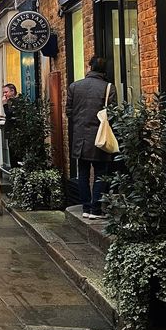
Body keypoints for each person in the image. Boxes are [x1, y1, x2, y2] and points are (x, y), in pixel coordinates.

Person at [66, 56, 117, 220]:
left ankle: (86, 208)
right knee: (101, 173)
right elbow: (113, 113)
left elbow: (69, 112)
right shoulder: (108, 87)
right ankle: (96, 209)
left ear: (89, 67)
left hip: (80, 138)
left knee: (83, 173)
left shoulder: (75, 86)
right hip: (100, 137)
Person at [2, 83, 19, 167]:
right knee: (11, 153)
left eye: (6, 92)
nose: (5, 94)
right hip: (11, 132)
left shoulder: (17, 102)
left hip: (15, 132)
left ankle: (16, 171)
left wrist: (4, 104)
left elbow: (10, 115)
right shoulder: (11, 102)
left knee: (14, 154)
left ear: (12, 91)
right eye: (3, 93)